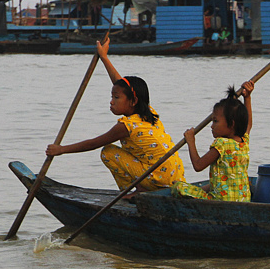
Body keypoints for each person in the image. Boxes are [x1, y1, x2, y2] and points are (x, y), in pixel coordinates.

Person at [45, 39, 185, 194]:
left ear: (133, 101)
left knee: (108, 152)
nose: (111, 102)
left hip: (158, 178)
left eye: (116, 98)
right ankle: (143, 188)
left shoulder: (127, 126)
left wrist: (61, 149)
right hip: (175, 176)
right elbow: (122, 85)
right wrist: (104, 58)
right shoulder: (150, 113)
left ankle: (134, 193)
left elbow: (93, 143)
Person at [172, 81, 255, 201]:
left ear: (231, 124)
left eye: (215, 121)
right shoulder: (243, 141)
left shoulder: (221, 144)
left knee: (178, 187)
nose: (211, 126)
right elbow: (248, 125)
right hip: (243, 200)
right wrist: (247, 98)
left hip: (220, 200)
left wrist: (191, 141)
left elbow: (198, 165)